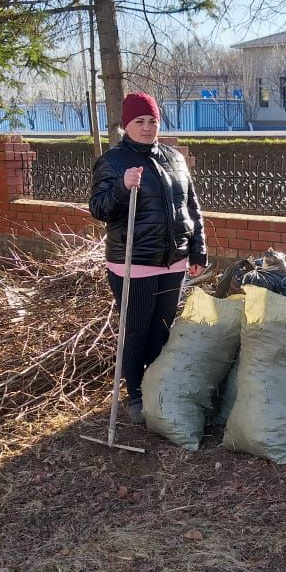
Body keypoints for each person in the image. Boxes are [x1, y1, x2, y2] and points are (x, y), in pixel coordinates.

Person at [89, 91, 207, 424]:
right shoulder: (113, 161)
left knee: (162, 328)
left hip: (174, 261)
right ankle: (136, 395)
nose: (146, 127)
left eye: (152, 121)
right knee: (137, 330)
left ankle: (157, 386)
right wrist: (122, 188)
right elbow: (99, 209)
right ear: (126, 124)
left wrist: (198, 249)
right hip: (134, 263)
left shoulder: (174, 157)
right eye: (139, 121)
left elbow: (191, 208)